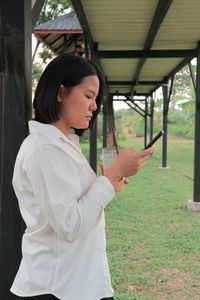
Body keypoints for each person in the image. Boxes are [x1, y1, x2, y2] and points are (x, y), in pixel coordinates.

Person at [10, 53, 154, 300]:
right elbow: (70, 225)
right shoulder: (42, 148)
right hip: (56, 286)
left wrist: (111, 181)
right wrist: (111, 177)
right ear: (60, 93)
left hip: (80, 282)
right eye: (88, 96)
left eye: (95, 99)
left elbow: (77, 206)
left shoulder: (64, 143)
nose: (94, 106)